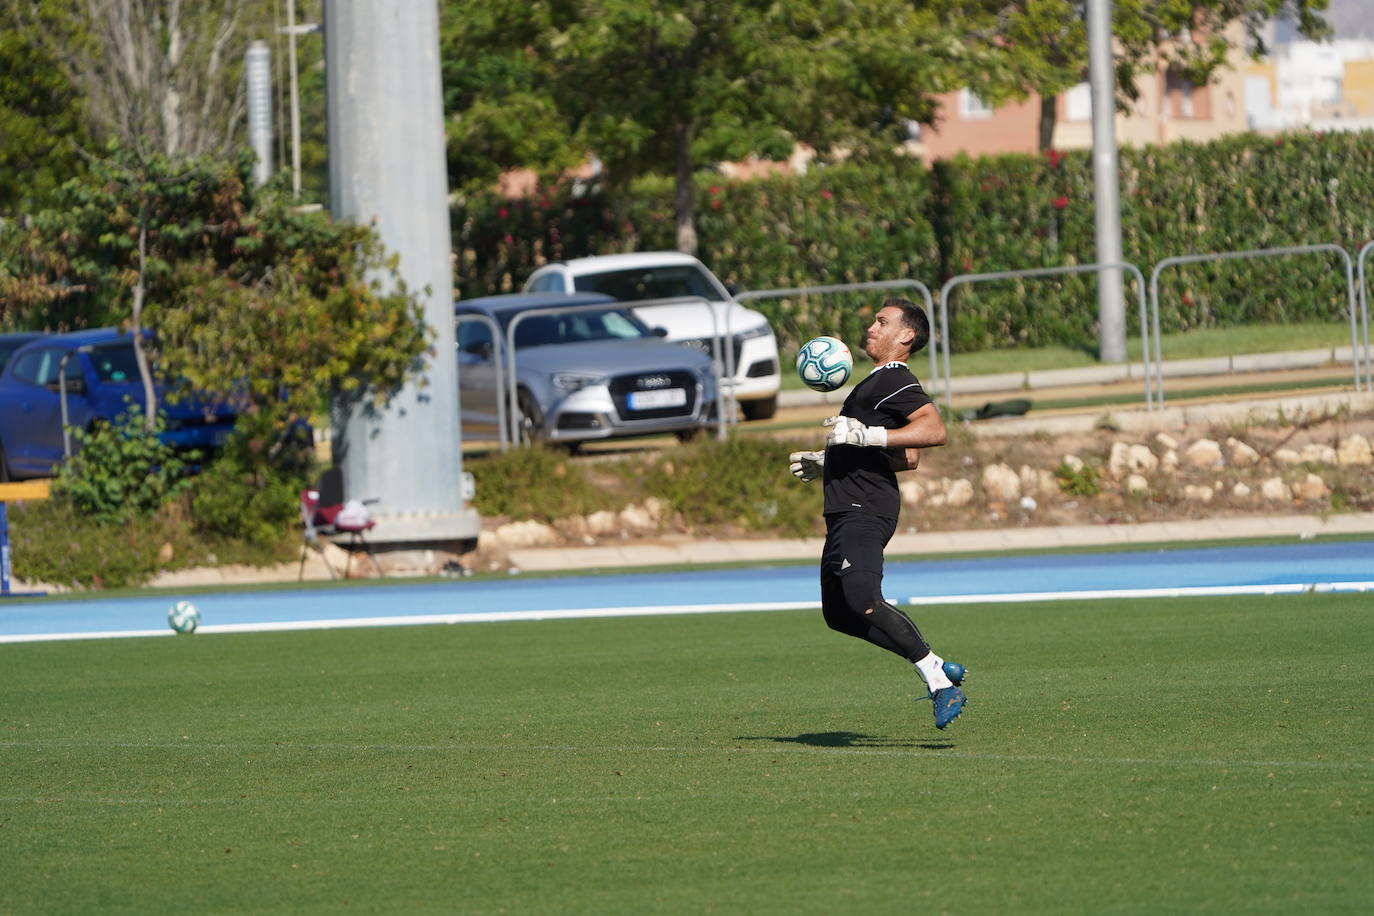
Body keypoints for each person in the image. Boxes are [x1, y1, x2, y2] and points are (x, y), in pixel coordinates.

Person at [789, 298, 967, 729]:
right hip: (846, 507)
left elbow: (934, 431)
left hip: (865, 507)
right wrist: (830, 459)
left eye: (881, 322)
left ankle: (938, 680)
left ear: (906, 336)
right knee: (838, 613)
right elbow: (907, 457)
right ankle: (939, 662)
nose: (871, 327)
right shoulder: (871, 386)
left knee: (863, 599)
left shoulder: (895, 378)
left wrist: (865, 434)